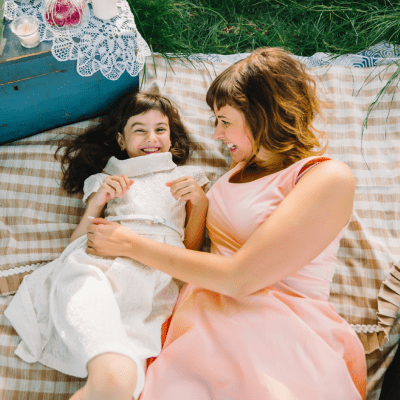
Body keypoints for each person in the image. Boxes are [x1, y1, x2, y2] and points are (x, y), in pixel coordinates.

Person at [85, 47, 367, 400]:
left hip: (277, 329)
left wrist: (129, 244)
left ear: (262, 117)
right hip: (198, 328)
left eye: (224, 121)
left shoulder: (326, 177)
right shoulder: (233, 172)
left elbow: (238, 277)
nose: (217, 134)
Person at [4, 92, 209, 400]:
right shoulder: (107, 178)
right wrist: (98, 201)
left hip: (157, 271)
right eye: (139, 130)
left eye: (160, 129)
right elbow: (78, 242)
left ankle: (115, 374)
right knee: (87, 287)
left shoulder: (188, 177)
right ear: (121, 140)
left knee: (133, 348)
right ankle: (110, 365)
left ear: (171, 137)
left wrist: (200, 203)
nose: (151, 138)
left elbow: (190, 250)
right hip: (104, 259)